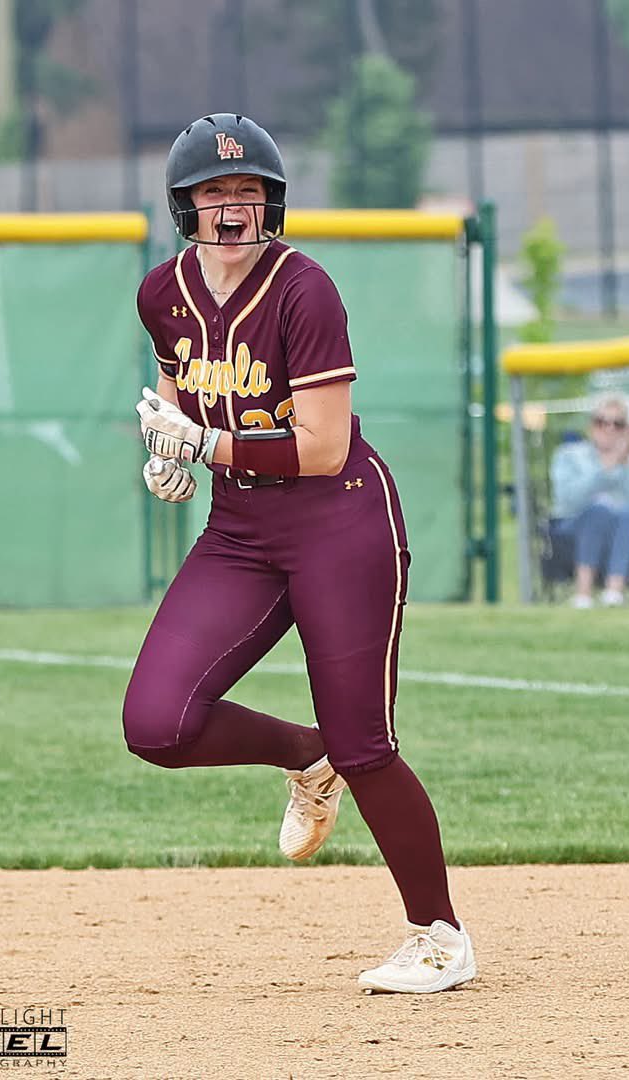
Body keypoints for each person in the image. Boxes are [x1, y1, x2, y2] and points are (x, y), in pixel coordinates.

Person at [122, 113, 476, 995]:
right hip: (242, 530)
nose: (233, 210)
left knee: (368, 742)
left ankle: (440, 937)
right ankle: (304, 757)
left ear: (272, 204)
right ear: (185, 207)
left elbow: (320, 447)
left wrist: (200, 446)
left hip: (339, 521)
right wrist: (168, 446)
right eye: (214, 193)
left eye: (248, 193)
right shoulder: (161, 291)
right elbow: (179, 387)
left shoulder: (303, 290)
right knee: (156, 725)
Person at [550, 392, 629, 608]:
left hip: (623, 533)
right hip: (571, 528)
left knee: (626, 513)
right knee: (599, 511)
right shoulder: (570, 455)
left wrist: (622, 462)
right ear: (591, 426)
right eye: (602, 422)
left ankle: (614, 592)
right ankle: (583, 592)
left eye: (617, 424)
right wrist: (604, 470)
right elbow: (568, 501)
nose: (609, 428)